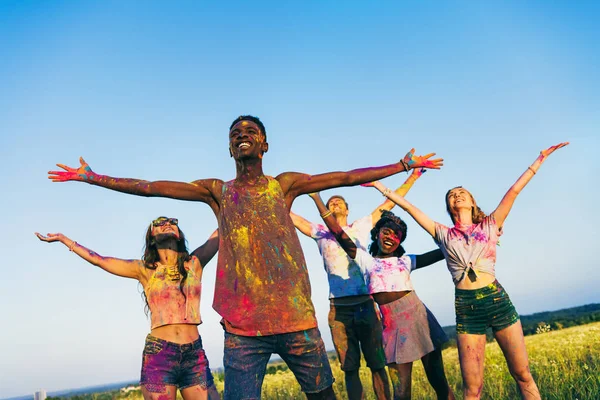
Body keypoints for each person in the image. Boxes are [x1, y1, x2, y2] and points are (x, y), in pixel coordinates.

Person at [48, 115, 443, 399]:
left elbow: (343, 177)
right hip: (242, 330)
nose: (242, 135)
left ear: (265, 144)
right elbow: (152, 188)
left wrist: (402, 165)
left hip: (295, 319)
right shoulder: (218, 191)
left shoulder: (283, 186)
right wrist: (92, 177)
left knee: (323, 394)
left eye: (251, 131)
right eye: (235, 132)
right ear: (229, 147)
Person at [366, 142, 568, 399]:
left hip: (497, 300)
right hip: (466, 306)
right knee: (472, 389)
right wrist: (380, 186)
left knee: (522, 374)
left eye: (463, 193)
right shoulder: (442, 233)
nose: (457, 195)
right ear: (450, 207)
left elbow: (514, 191)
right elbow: (409, 208)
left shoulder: (492, 224)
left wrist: (539, 159)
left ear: (472, 202)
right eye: (452, 195)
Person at [36, 216, 220, 400]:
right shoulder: (145, 270)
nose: (166, 224)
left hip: (194, 355)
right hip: (160, 356)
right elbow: (100, 260)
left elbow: (224, 229)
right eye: (159, 223)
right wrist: (64, 239)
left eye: (172, 222)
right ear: (152, 238)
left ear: (178, 234)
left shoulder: (194, 264)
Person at [289, 168, 426, 400]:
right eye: (330, 202)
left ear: (347, 209)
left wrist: (413, 176)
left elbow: (389, 204)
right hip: (339, 308)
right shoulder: (320, 231)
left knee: (377, 363)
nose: (334, 205)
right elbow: (288, 214)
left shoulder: (362, 226)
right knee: (349, 367)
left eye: (338, 202)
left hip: (365, 303)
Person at [309, 192, 454, 400]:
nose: (391, 238)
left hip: (419, 318)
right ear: (377, 234)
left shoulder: (406, 261)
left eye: (397, 235)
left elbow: (445, 249)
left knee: (439, 381)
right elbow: (339, 234)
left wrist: (470, 237)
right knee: (401, 393)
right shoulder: (365, 261)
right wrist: (318, 201)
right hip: (393, 327)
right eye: (387, 232)